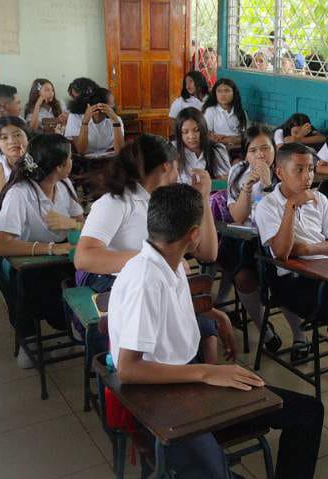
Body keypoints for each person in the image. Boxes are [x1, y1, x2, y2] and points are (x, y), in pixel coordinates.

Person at [108, 183, 324, 479]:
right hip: (159, 402)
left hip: (190, 382)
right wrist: (207, 372)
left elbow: (166, 316)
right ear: (194, 234)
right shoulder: (145, 278)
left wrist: (215, 314)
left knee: (306, 412)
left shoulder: (169, 261)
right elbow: (128, 369)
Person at [73, 134, 226, 363]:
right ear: (167, 166)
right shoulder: (116, 202)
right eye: (177, 169)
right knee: (178, 334)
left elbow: (207, 253)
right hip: (120, 282)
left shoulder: (165, 202)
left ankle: (198, 375)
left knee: (202, 329)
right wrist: (157, 260)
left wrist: (203, 198)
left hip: (160, 284)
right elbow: (84, 257)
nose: (178, 176)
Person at [0, 134, 84, 365]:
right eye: (70, 157)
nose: (72, 161)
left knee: (86, 275)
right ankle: (28, 340)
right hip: (26, 260)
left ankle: (74, 327)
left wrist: (70, 224)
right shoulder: (20, 193)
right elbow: (2, 244)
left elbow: (80, 222)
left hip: (61, 255)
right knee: (33, 283)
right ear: (59, 166)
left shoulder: (64, 184)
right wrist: (52, 248)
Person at [254, 143, 328, 358]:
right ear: (280, 172)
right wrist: (291, 206)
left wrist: (306, 248)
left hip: (326, 273)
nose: (307, 177)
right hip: (293, 282)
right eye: (299, 170)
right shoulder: (267, 205)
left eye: (311, 169)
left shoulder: (320, 199)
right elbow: (282, 253)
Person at [223, 125, 280, 350]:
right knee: (243, 277)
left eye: (265, 148)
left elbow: (280, 218)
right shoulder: (238, 172)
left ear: (275, 149)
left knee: (282, 279)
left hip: (278, 239)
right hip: (246, 240)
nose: (260, 155)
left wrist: (267, 185)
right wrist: (248, 187)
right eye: (253, 150)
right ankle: (264, 330)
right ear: (245, 154)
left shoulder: (285, 170)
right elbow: (238, 217)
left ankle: (299, 336)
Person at [172, 107, 231, 183]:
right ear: (179, 133)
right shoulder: (173, 150)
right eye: (185, 132)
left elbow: (226, 182)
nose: (191, 136)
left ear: (203, 129)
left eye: (196, 130)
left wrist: (210, 181)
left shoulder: (217, 149)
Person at [0, 116, 28, 211]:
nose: (12, 141)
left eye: (17, 135)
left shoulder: (39, 160)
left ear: (28, 137)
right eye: (4, 138)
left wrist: (24, 162)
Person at [64, 87, 124, 156]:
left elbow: (120, 150)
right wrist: (85, 122)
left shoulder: (116, 119)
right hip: (84, 160)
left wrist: (116, 122)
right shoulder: (75, 117)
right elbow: (81, 150)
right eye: (111, 104)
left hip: (108, 158)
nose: (113, 106)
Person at [202, 78, 247, 146]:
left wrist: (231, 139)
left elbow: (246, 136)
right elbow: (206, 135)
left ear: (234, 93)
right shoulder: (211, 111)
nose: (223, 94)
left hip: (238, 148)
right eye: (219, 91)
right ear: (215, 94)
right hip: (218, 147)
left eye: (227, 91)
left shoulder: (241, 112)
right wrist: (229, 140)